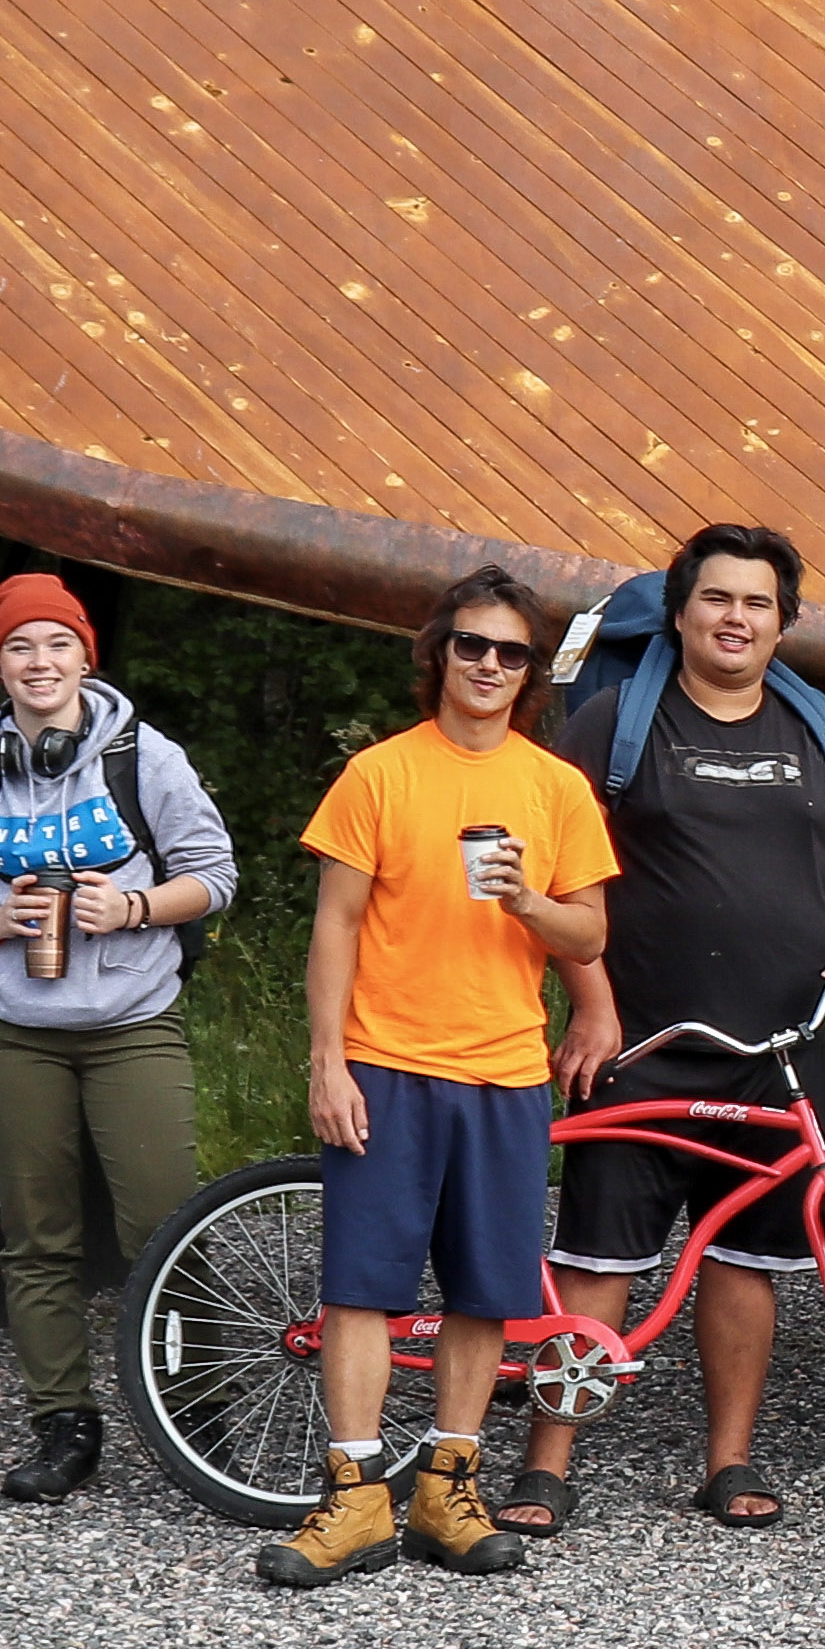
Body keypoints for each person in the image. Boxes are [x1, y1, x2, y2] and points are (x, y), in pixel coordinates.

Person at [510, 523, 825, 1536]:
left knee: (746, 1265)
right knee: (598, 1264)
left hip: (778, 1055)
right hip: (637, 1045)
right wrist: (591, 1004)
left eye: (757, 604)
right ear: (682, 612)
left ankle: (728, 1461)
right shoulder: (617, 722)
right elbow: (557, 876)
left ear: (781, 622)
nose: (736, 619)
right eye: (717, 600)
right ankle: (547, 1464)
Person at [260, 566, 616, 1590]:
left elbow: (591, 928)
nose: (491, 666)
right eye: (473, 645)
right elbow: (335, 923)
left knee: (485, 1290)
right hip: (386, 1061)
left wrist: (531, 904)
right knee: (362, 1287)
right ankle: (356, 1495)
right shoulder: (380, 774)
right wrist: (327, 1060)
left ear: (531, 672)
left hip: (504, 1070)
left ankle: (447, 1489)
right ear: (437, 654)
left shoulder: (554, 787)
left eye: (512, 653)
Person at [0, 572, 237, 1507]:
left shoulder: (145, 757)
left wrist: (131, 904)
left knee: (164, 1223)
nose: (39, 663)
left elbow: (215, 877)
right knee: (37, 1237)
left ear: (87, 655)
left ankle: (198, 1397)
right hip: (14, 1031)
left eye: (56, 644)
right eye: (19, 647)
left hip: (133, 1025)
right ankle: (64, 1421)